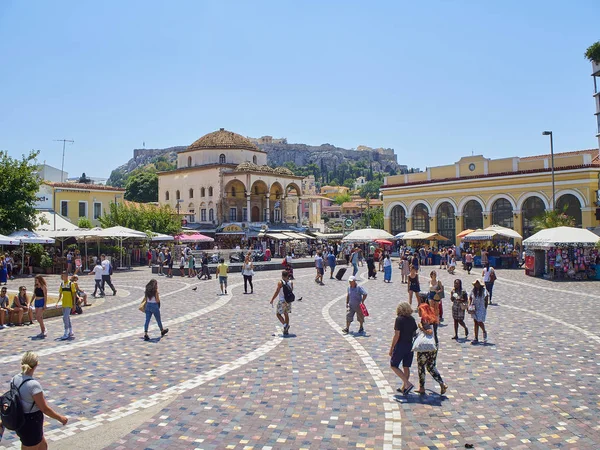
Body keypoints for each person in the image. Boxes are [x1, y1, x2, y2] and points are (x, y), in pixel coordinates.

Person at [9, 352, 68, 449]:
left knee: (43, 446)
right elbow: (44, 409)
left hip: (20, 419)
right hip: (31, 422)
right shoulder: (33, 385)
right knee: (32, 445)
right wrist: (60, 418)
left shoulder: (14, 379)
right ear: (36, 364)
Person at [415, 303, 448, 396]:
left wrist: (421, 327)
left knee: (421, 366)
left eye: (419, 310)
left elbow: (429, 331)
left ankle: (421, 387)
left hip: (426, 346)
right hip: (435, 345)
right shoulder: (433, 318)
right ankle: (442, 383)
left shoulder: (425, 319)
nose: (418, 312)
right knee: (431, 366)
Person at [389, 302, 418, 395]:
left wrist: (392, 347)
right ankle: (404, 388)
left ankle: (407, 384)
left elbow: (397, 335)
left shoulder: (399, 319)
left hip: (401, 345)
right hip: (410, 345)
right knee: (406, 367)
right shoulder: (412, 319)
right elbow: (414, 333)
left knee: (393, 365)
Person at [270, 270, 293, 336]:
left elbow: (277, 292)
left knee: (278, 314)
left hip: (282, 300)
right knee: (286, 314)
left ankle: (285, 325)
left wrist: (272, 299)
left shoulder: (280, 282)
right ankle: (286, 330)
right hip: (288, 300)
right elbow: (291, 291)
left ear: (282, 276)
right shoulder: (291, 282)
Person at [57, 271, 76, 340]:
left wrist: (74, 304)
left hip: (69, 303)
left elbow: (74, 294)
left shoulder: (71, 284)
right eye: (62, 276)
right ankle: (70, 331)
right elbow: (60, 294)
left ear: (67, 276)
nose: (62, 277)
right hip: (64, 303)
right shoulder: (62, 284)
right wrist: (57, 302)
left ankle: (66, 332)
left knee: (64, 317)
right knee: (67, 317)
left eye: (64, 276)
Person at [469, 279, 489, 344]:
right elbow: (470, 297)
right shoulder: (473, 290)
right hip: (474, 307)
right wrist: (470, 305)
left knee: (479, 321)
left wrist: (485, 307)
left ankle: (484, 331)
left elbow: (486, 298)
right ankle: (476, 337)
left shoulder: (484, 291)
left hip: (481, 307)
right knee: (475, 322)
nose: (476, 285)